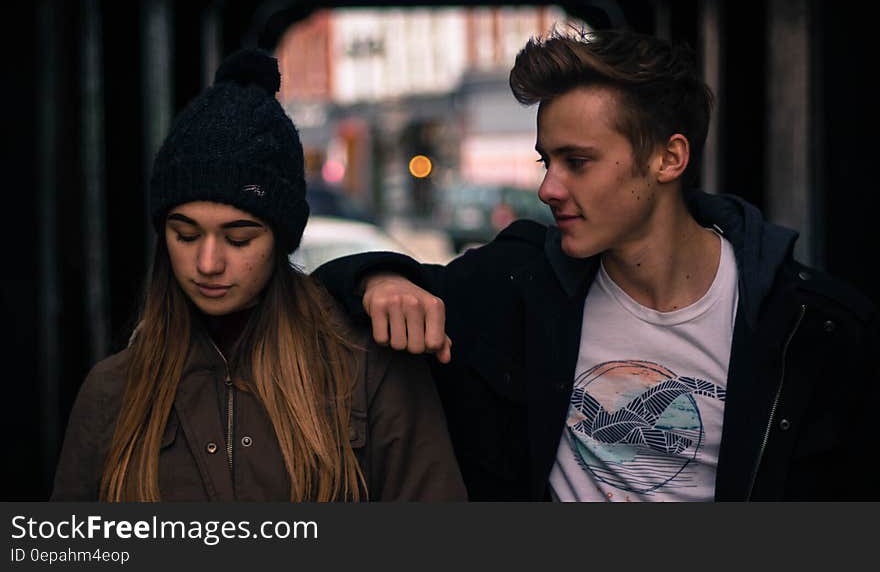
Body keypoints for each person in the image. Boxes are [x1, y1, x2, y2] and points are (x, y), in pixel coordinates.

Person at [314, 28, 879, 501]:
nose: (547, 187)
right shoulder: (518, 283)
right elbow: (313, 295)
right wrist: (380, 279)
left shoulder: (810, 327)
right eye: (546, 161)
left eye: (577, 162)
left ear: (669, 157)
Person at [51, 49, 465, 502]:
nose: (208, 263)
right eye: (185, 235)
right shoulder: (112, 391)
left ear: (280, 238)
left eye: (239, 238)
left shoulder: (368, 370)